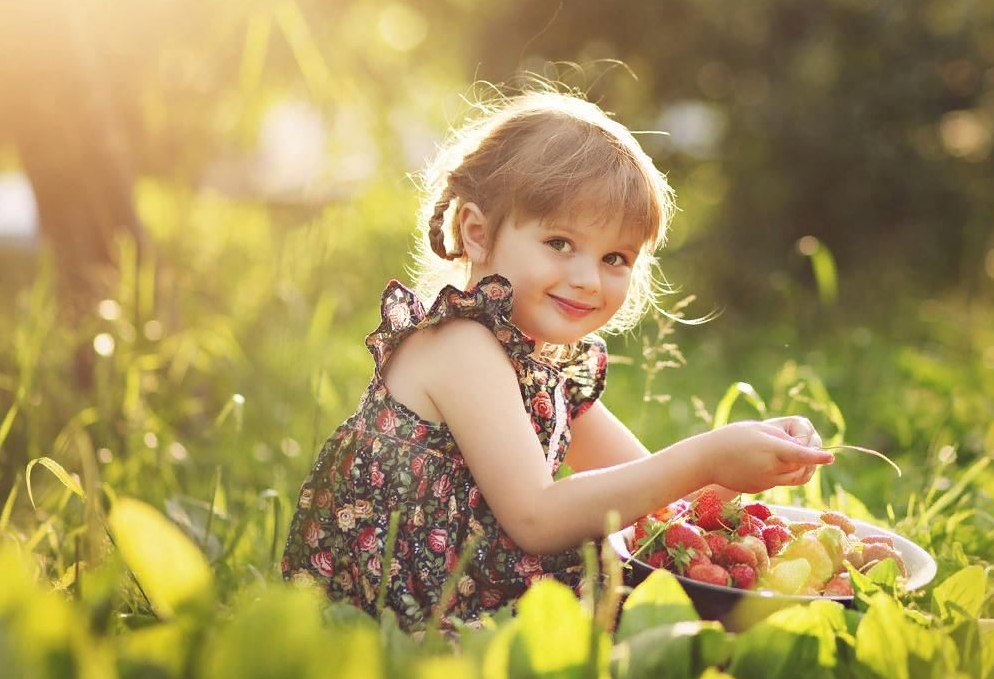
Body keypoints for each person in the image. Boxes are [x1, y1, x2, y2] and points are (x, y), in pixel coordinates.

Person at [280, 88, 833, 632]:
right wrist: (708, 455)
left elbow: (657, 502)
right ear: (476, 233)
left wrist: (755, 453)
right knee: (664, 627)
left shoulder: (550, 367)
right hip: (407, 618)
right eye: (560, 243)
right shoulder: (458, 345)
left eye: (614, 257)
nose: (588, 278)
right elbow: (536, 517)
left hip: (493, 596)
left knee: (689, 606)